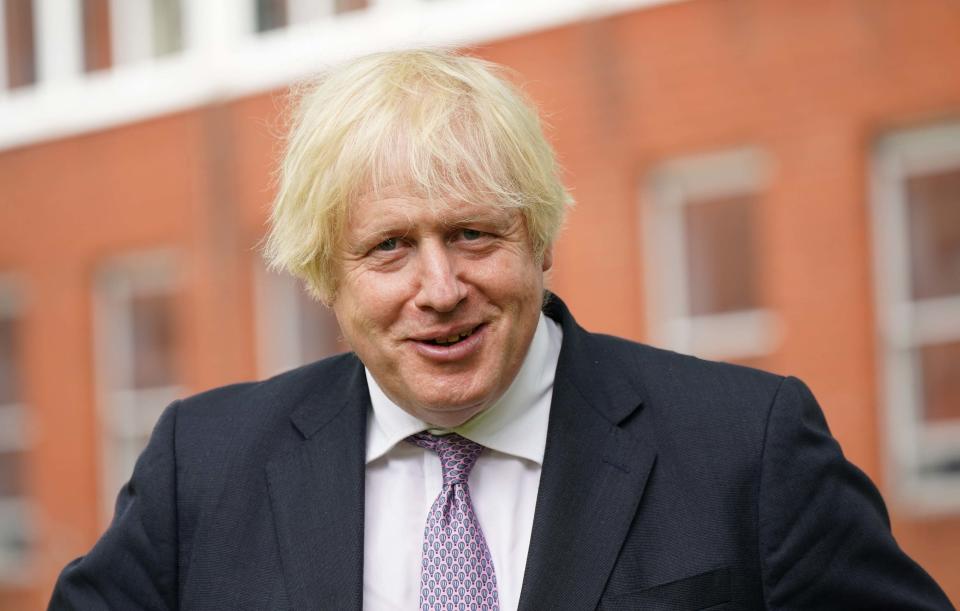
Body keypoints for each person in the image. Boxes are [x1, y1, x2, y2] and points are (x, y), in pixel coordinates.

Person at [50, 49, 953, 611]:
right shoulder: (200, 468)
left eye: (474, 233)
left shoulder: (747, 449)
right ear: (326, 272)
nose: (440, 288)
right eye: (390, 246)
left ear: (542, 237)